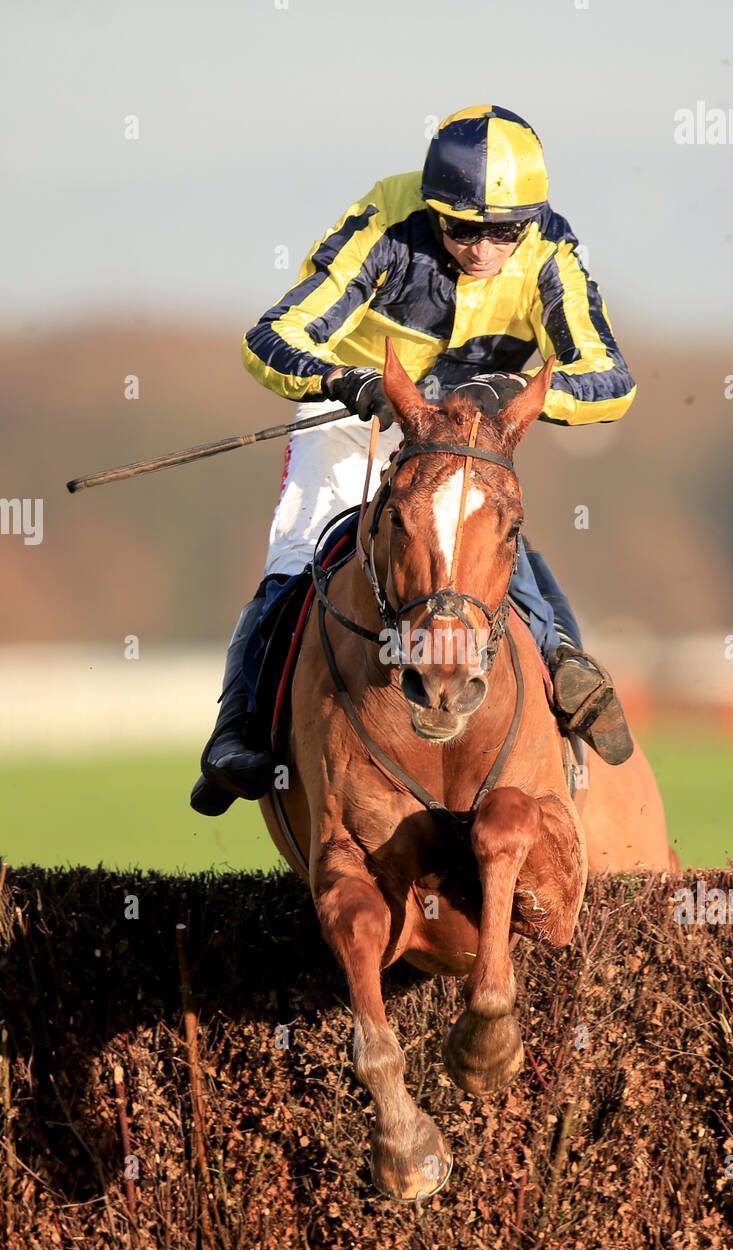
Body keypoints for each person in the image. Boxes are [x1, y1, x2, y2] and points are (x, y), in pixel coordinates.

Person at [191, 104, 636, 817]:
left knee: (492, 552)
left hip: (463, 440)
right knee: (296, 551)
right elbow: (269, 337)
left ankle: (565, 681)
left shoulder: (550, 250)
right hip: (361, 421)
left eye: (505, 231)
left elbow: (611, 380)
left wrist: (521, 391)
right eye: (461, 228)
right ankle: (236, 732)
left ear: (530, 220)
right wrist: (344, 379)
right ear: (431, 210)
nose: (484, 249)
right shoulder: (385, 223)